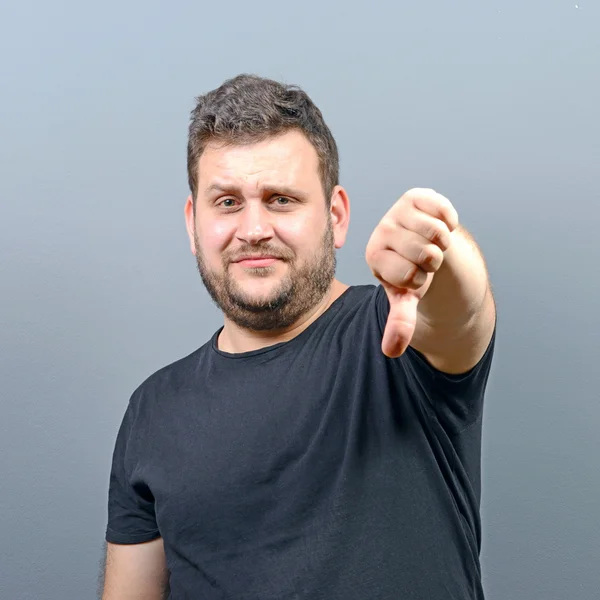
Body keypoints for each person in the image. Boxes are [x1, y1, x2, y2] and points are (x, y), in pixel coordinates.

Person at [101, 74, 497, 600]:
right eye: (227, 203)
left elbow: (459, 310)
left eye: (281, 199)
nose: (254, 229)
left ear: (335, 217)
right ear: (194, 223)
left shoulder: (396, 336)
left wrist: (437, 251)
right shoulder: (152, 408)